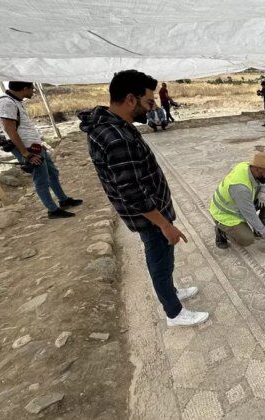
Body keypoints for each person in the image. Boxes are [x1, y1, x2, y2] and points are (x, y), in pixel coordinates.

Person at [79, 70, 208, 327]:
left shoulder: (113, 126)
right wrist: (164, 224)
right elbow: (133, 193)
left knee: (163, 256)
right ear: (130, 99)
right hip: (150, 216)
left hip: (152, 210)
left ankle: (170, 291)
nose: (153, 107)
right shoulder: (116, 138)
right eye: (149, 101)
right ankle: (174, 313)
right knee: (159, 260)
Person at [0, 81, 82, 219]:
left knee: (52, 172)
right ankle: (52, 210)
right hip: (27, 148)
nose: (33, 91)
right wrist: (25, 154)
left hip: (34, 146)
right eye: (32, 89)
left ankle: (63, 200)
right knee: (41, 179)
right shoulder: (7, 103)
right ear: (24, 89)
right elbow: (9, 129)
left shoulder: (14, 101)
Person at [209, 152, 265, 251]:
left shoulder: (247, 166)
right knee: (247, 239)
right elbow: (250, 215)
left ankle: (261, 227)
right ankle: (221, 231)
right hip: (225, 213)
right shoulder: (240, 188)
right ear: (257, 169)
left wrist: (262, 192)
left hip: (239, 202)